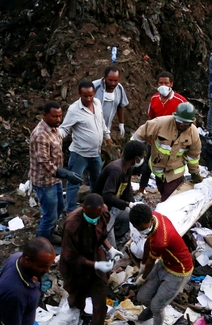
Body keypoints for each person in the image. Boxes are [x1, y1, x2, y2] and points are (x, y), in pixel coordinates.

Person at [59, 194, 123, 325]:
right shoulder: (72, 224)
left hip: (96, 257)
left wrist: (110, 248)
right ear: (83, 209)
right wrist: (94, 265)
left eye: (97, 216)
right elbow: (70, 256)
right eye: (90, 216)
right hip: (76, 267)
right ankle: (78, 318)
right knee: (76, 297)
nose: (94, 219)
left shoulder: (104, 213)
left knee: (100, 301)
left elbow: (101, 235)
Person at [129, 203, 193, 325]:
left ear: (150, 221)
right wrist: (143, 264)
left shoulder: (160, 240)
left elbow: (152, 258)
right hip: (165, 263)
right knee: (142, 297)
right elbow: (147, 243)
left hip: (179, 271)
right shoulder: (154, 217)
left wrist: (144, 276)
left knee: (157, 305)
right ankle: (151, 311)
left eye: (143, 229)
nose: (142, 232)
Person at [30, 101, 82, 242]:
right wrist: (65, 173)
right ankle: (41, 243)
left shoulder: (54, 129)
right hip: (44, 181)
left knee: (59, 207)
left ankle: (50, 232)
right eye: (54, 117)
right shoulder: (41, 135)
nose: (58, 120)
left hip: (55, 179)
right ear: (45, 115)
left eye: (60, 116)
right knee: (49, 215)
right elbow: (44, 163)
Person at [60, 81, 113, 213]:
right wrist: (53, 138)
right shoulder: (74, 110)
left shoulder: (97, 103)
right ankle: (71, 209)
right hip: (80, 154)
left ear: (94, 94)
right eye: (85, 96)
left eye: (90, 95)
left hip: (95, 153)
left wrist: (107, 137)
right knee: (74, 182)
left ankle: (94, 206)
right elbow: (65, 128)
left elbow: (101, 122)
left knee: (96, 181)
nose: (88, 99)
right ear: (79, 94)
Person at [131, 102, 202, 201]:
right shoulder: (159, 124)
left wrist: (195, 173)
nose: (181, 124)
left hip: (175, 171)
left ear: (191, 122)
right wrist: (134, 156)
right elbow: (138, 137)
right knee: (162, 191)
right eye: (179, 121)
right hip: (158, 168)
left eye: (185, 123)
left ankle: (163, 214)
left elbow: (193, 156)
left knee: (169, 198)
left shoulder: (193, 134)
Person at [139, 72, 188, 195]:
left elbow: (188, 121)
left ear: (171, 84)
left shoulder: (180, 101)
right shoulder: (154, 99)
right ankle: (141, 189)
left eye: (166, 83)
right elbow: (151, 118)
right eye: (161, 83)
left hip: (172, 141)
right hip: (155, 139)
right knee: (147, 165)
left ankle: (167, 192)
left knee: (169, 167)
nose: (163, 85)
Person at [92, 141, 146, 247]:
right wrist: (127, 204)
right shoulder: (116, 170)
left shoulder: (129, 167)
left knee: (134, 216)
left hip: (115, 206)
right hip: (103, 210)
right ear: (137, 159)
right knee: (109, 248)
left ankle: (116, 233)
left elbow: (127, 190)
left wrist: (133, 205)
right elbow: (106, 195)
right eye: (142, 157)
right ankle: (105, 236)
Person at [93, 66, 129, 137]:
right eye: (110, 80)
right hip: (92, 128)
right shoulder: (94, 87)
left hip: (107, 128)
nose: (113, 83)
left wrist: (121, 123)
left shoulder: (119, 88)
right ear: (105, 78)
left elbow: (120, 106)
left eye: (116, 81)